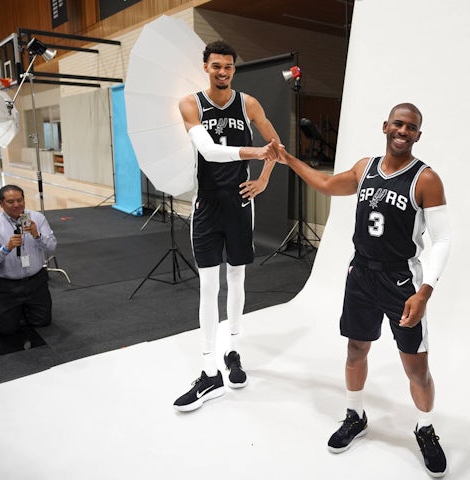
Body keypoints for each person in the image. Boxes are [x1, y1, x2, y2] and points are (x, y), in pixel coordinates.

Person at [273, 103, 452, 477]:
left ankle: (425, 427)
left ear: (419, 135)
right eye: (398, 124)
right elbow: (325, 184)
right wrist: (288, 159)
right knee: (356, 349)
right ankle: (355, 415)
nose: (403, 131)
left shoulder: (426, 178)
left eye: (412, 127)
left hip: (402, 281)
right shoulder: (364, 167)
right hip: (360, 275)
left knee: (416, 366)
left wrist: (424, 292)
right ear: (385, 126)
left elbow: (443, 239)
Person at [173, 40, 281, 412]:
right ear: (205, 66)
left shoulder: (248, 103)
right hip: (207, 206)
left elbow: (275, 143)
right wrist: (255, 154)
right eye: (217, 66)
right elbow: (209, 151)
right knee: (207, 287)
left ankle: (232, 351)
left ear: (235, 69)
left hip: (239, 205)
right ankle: (208, 371)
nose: (223, 72)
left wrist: (264, 178)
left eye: (229, 67)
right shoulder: (191, 104)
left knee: (237, 278)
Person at [0, 185, 57, 336]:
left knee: (43, 322)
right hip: (6, 286)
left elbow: (52, 246)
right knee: (6, 330)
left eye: (20, 200)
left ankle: (24, 309)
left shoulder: (37, 218)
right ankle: (16, 311)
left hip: (36, 281)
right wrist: (6, 248)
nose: (17, 205)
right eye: (11, 201)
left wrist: (37, 235)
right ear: (0, 203)